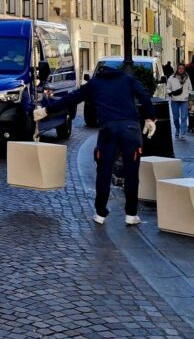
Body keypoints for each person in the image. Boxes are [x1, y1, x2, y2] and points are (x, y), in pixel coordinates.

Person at [33, 65, 156, 226]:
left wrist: (47, 110)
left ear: (99, 73)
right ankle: (131, 215)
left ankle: (100, 213)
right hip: (130, 130)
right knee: (131, 173)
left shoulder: (95, 83)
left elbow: (71, 98)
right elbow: (144, 96)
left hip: (108, 130)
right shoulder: (128, 79)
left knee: (104, 172)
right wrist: (150, 118)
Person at [166, 63, 192, 141]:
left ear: (184, 69)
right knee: (175, 117)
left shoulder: (187, 78)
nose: (181, 70)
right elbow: (168, 87)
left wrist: (189, 94)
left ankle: (183, 132)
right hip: (175, 99)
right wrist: (170, 93)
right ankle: (178, 129)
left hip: (184, 99)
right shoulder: (172, 77)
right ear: (177, 69)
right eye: (179, 68)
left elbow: (190, 87)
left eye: (182, 68)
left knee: (184, 117)